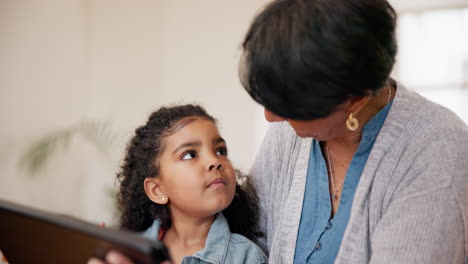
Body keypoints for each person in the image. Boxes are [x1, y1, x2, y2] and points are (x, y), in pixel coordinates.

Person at [239, 0, 468, 263]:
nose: (271, 117)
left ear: (355, 99)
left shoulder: (440, 155)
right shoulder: (289, 135)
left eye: (290, 105)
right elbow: (245, 244)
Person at [88, 104, 268, 264]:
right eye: (190, 154)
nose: (215, 161)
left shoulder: (247, 257)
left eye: (220, 150)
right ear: (157, 190)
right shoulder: (129, 253)